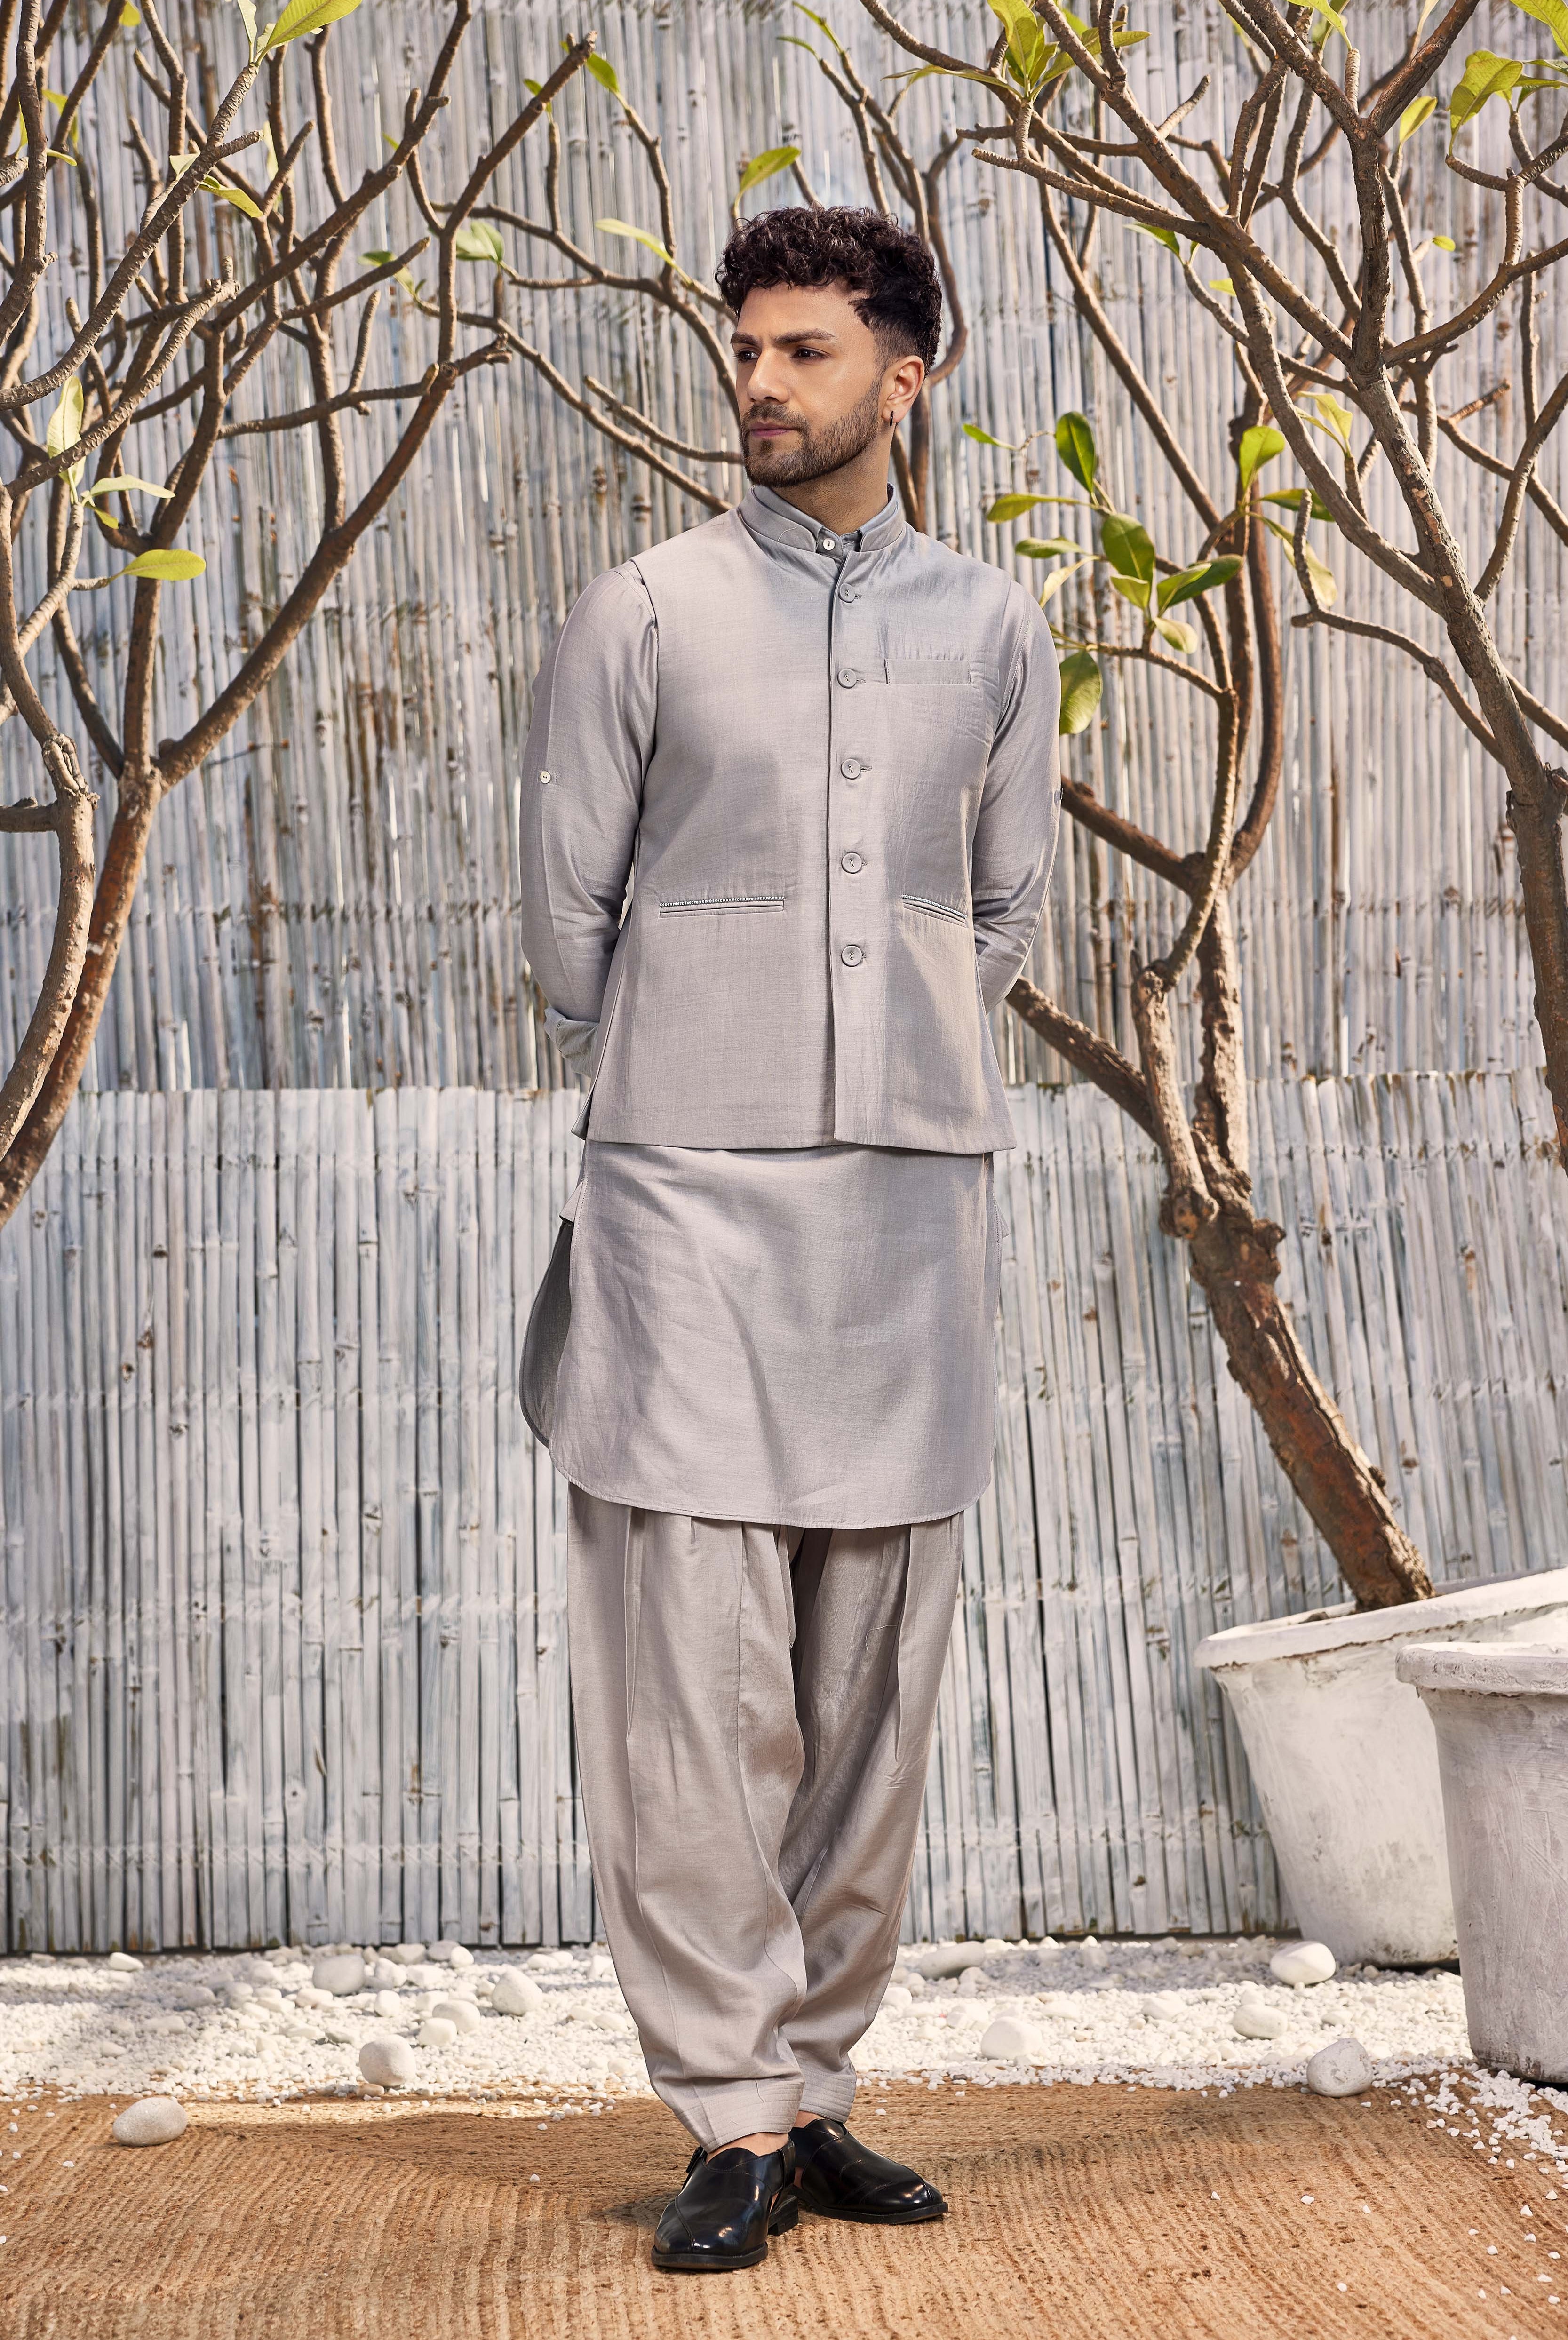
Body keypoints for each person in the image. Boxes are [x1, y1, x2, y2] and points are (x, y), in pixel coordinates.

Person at [517, 205, 1060, 2274]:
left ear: (906, 378)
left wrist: (889, 1048)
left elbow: (1002, 911)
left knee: (874, 1663)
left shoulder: (993, 626)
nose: (758, 381)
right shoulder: (647, 609)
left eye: (805, 351)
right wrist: (714, 1041)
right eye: (746, 347)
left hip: (911, 1193)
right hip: (685, 1184)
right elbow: (566, 923)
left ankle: (814, 2083)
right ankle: (728, 2109)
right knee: (692, 1666)